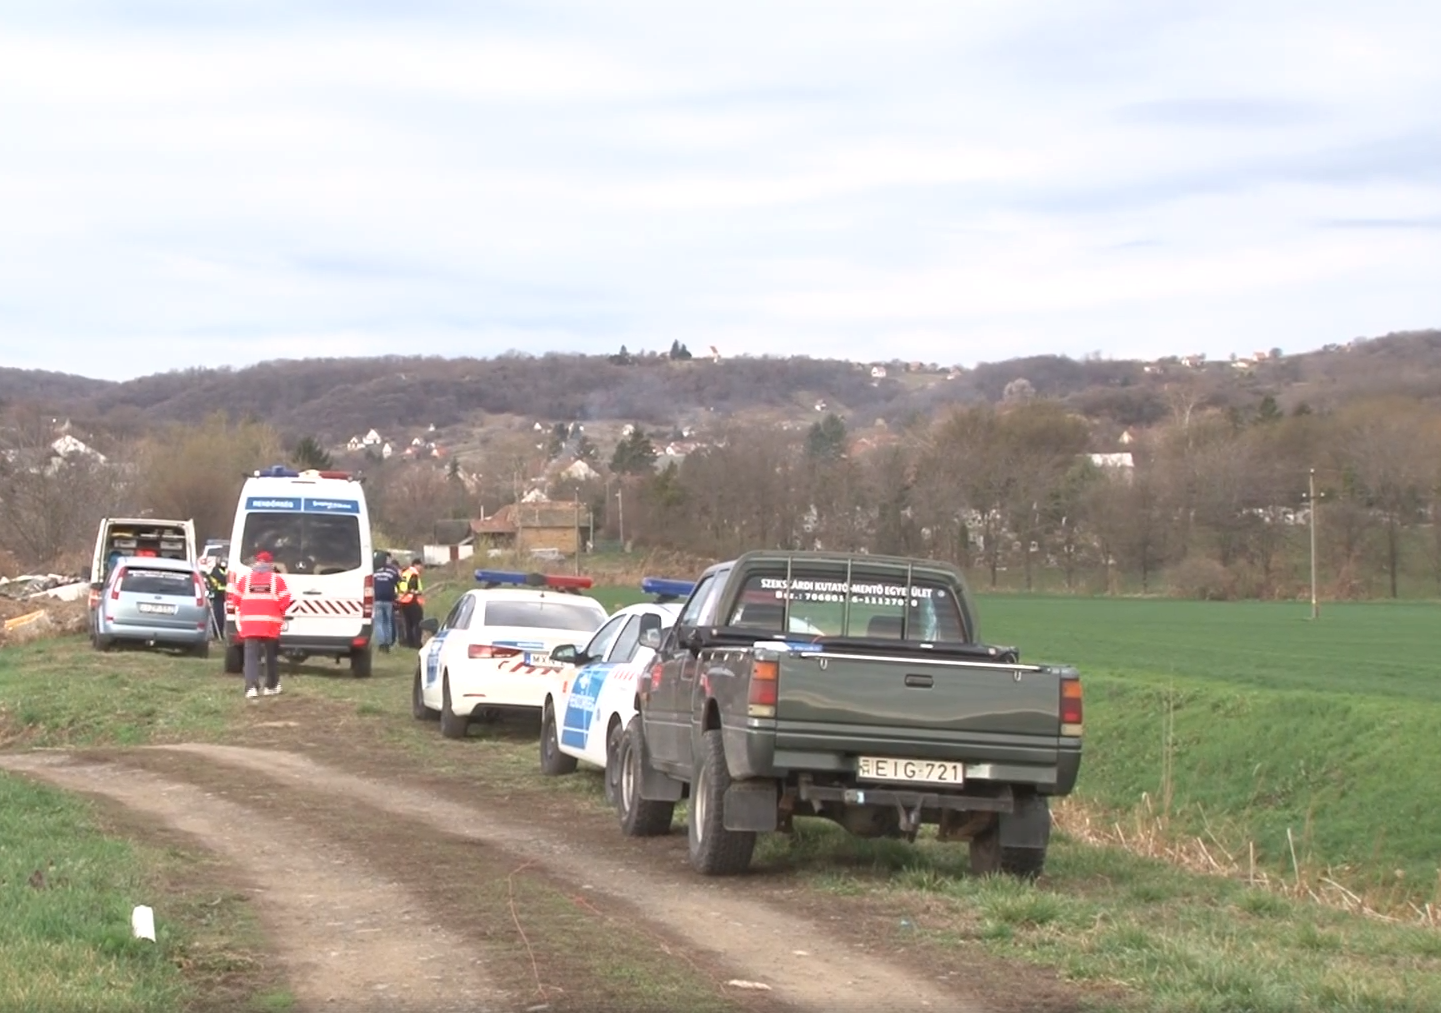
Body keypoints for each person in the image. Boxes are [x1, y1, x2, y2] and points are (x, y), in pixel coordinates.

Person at [231, 550, 292, 700]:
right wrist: (279, 611)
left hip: (250, 625)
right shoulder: (277, 580)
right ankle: (270, 686)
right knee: (271, 656)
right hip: (270, 625)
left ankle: (251, 687)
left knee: (251, 657)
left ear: (256, 563)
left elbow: (235, 600)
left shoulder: (245, 580)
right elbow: (285, 600)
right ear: (271, 564)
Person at [372, 553, 399, 653]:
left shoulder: (373, 571)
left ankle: (381, 643)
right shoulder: (392, 570)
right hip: (389, 599)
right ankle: (388, 643)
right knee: (388, 622)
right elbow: (397, 581)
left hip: (377, 599)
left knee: (379, 622)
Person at [396, 558, 425, 649]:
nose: (421, 568)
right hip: (412, 600)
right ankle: (417, 643)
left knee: (408, 623)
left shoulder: (404, 573)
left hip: (403, 602)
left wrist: (400, 597)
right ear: (416, 565)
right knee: (417, 623)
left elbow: (399, 586)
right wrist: (418, 592)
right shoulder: (413, 573)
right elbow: (412, 588)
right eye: (421, 566)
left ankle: (410, 643)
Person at [205, 557, 229, 640]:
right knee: (218, 615)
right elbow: (222, 579)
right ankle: (217, 634)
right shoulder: (216, 571)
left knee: (220, 615)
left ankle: (219, 633)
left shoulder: (222, 570)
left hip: (220, 596)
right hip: (217, 595)